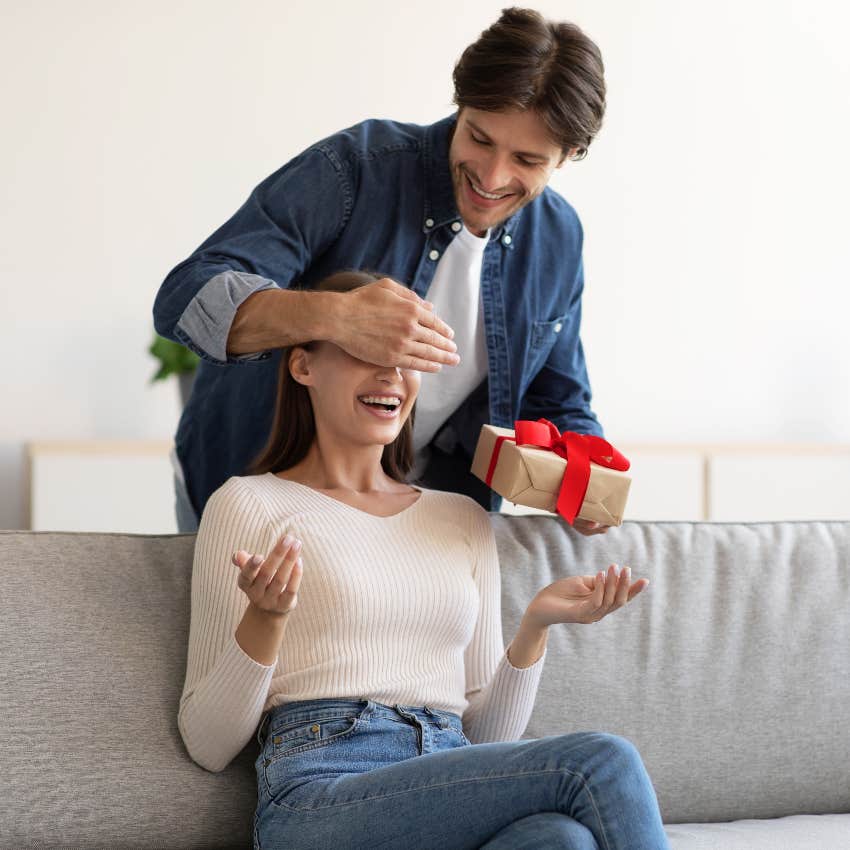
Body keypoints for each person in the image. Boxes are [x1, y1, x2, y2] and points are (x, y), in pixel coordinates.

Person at [178, 270, 669, 850]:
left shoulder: (460, 517)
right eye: (369, 349)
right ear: (302, 364)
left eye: (410, 355)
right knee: (601, 761)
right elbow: (207, 744)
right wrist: (265, 620)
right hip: (319, 800)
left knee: (559, 840)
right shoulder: (249, 503)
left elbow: (483, 740)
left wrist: (534, 629)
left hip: (440, 783)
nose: (392, 374)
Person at [154, 7, 612, 537]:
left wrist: (588, 481)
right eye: (480, 139)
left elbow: (558, 401)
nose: (492, 177)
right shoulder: (357, 169)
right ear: (460, 104)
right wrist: (334, 317)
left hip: (420, 517)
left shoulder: (558, 238)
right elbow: (186, 297)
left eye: (527, 160)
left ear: (568, 155)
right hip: (251, 488)